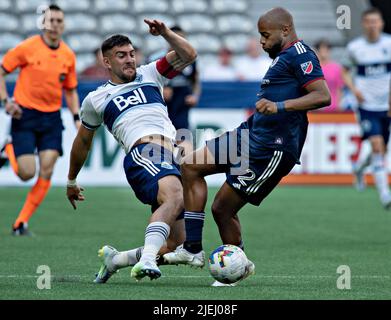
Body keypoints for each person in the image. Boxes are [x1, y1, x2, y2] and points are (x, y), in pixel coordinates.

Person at [163, 7, 331, 286]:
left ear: (285, 30)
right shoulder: (283, 57)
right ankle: (192, 249)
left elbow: (322, 95)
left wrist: (279, 106)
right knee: (190, 165)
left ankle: (237, 267)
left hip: (271, 149)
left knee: (222, 209)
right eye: (260, 36)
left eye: (265, 36)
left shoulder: (302, 55)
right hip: (249, 134)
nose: (262, 42)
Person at [66, 19, 197, 282]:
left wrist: (165, 34)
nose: (129, 60)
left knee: (177, 244)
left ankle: (116, 259)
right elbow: (82, 142)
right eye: (121, 56)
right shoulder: (96, 99)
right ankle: (147, 260)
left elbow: (189, 55)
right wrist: (71, 180)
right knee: (175, 195)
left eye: (132, 54)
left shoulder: (151, 73)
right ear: (107, 62)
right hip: (143, 153)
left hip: (172, 156)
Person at [0, 4, 80, 236]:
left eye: (58, 21)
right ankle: (9, 148)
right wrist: (6, 102)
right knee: (26, 173)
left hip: (52, 118)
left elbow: (71, 90)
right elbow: (2, 71)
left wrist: (75, 117)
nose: (54, 24)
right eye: (51, 20)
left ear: (63, 25)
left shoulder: (68, 55)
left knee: (47, 170)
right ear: (44, 23)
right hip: (25, 115)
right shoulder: (28, 47)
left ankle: (20, 223)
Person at [343, 8, 391, 206]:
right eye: (369, 21)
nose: (372, 25)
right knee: (377, 145)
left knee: (382, 149)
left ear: (381, 23)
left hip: (386, 104)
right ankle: (384, 194)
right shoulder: (355, 47)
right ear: (364, 24)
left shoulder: (389, 43)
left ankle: (360, 168)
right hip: (366, 106)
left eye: (375, 21)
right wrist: (355, 90)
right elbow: (344, 71)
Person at [314, 39, 345, 112]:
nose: (324, 52)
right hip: (316, 108)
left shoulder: (336, 68)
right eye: (321, 49)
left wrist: (339, 104)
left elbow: (339, 88)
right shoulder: (313, 68)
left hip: (333, 107)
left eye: (326, 49)